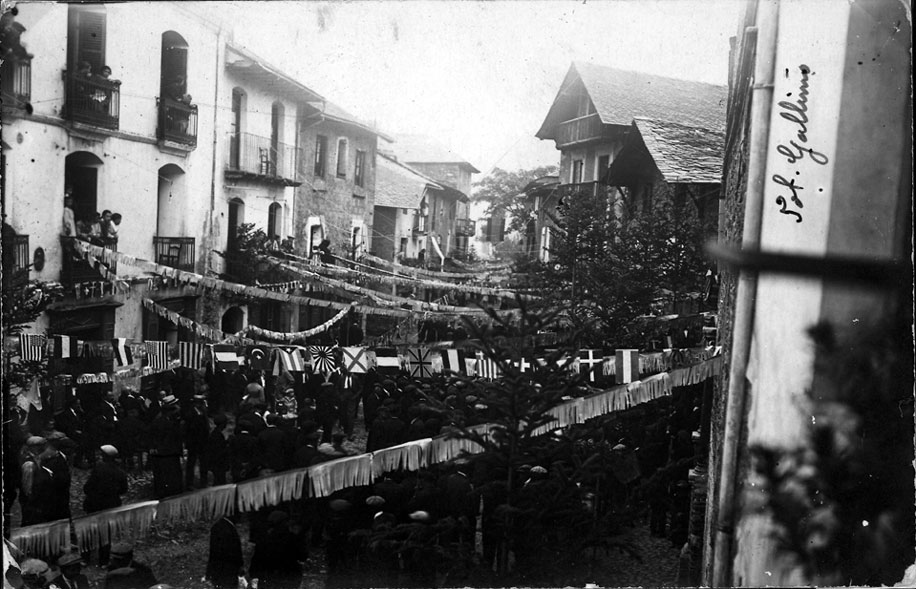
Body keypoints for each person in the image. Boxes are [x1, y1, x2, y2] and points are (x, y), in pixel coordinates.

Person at [206, 515, 244, 589]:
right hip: (229, 570)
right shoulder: (230, 529)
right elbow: (235, 551)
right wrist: (240, 565)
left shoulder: (217, 526)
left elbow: (213, 552)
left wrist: (209, 571)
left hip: (219, 569)